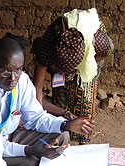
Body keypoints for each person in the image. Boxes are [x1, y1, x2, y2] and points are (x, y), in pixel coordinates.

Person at [0, 34, 95, 166]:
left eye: (18, 70)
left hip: (10, 135)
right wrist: (30, 150)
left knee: (62, 135)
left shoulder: (21, 81)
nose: (12, 78)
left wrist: (67, 124)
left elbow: (36, 117)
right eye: (5, 71)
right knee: (31, 164)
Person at [32, 8, 114, 144]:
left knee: (85, 102)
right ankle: (62, 137)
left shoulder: (99, 43)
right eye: (62, 69)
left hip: (87, 63)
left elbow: (107, 52)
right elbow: (38, 86)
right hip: (61, 64)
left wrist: (78, 70)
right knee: (60, 95)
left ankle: (83, 143)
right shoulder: (46, 49)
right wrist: (56, 113)